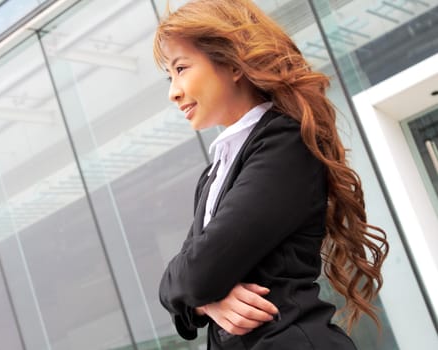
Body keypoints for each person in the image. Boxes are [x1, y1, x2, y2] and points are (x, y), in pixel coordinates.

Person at [153, 0, 389, 349]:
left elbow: (197, 272)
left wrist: (196, 291)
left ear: (232, 63)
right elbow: (184, 282)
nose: (173, 91)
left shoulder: (285, 143)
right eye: (169, 75)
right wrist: (204, 301)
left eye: (182, 68)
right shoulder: (214, 173)